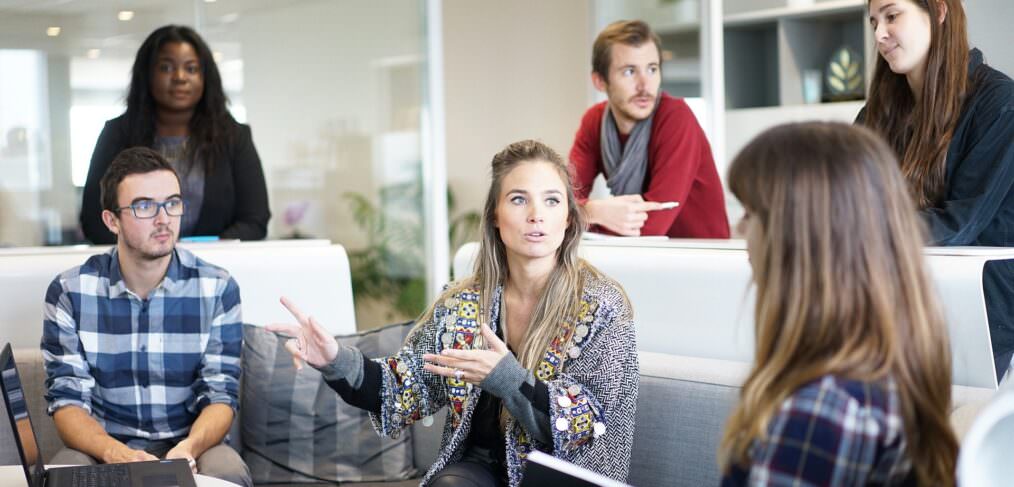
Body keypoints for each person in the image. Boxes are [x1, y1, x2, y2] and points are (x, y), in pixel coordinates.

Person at [269, 140, 639, 486]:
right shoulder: (463, 303)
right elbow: (405, 387)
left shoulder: (603, 307)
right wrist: (335, 360)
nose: (536, 215)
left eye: (552, 201)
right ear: (495, 215)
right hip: (478, 472)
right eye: (518, 199)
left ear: (569, 219)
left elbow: (587, 424)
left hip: (564, 476)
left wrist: (508, 379)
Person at [719, 122, 958, 486]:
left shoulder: (820, 414)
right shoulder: (889, 372)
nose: (739, 230)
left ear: (798, 239)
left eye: (751, 214)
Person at [43, 147, 250, 486]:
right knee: (63, 475)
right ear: (112, 220)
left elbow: (221, 394)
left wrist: (188, 448)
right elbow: (67, 402)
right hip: (104, 447)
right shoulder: (70, 291)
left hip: (191, 444)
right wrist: (116, 454)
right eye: (144, 206)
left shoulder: (217, 288)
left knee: (228, 471)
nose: (163, 218)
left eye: (172, 202)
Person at [859, 0, 1014, 380]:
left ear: (939, 12)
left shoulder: (999, 102)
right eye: (874, 21)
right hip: (899, 302)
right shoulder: (876, 115)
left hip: (980, 311)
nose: (879, 34)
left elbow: (959, 223)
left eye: (892, 16)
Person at [80, 24, 270, 244]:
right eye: (166, 68)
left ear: (205, 77)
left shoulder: (234, 137)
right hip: (137, 272)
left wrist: (202, 257)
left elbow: (255, 220)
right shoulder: (117, 134)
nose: (180, 77)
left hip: (216, 269)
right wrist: (150, 253)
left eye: (191, 69)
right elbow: (94, 221)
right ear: (147, 74)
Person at [568, 20, 729, 238]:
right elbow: (560, 203)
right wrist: (593, 211)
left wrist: (583, 215)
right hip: (641, 258)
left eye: (652, 69)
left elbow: (651, 226)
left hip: (700, 259)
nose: (645, 85)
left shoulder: (676, 117)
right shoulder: (594, 122)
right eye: (629, 72)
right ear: (600, 81)